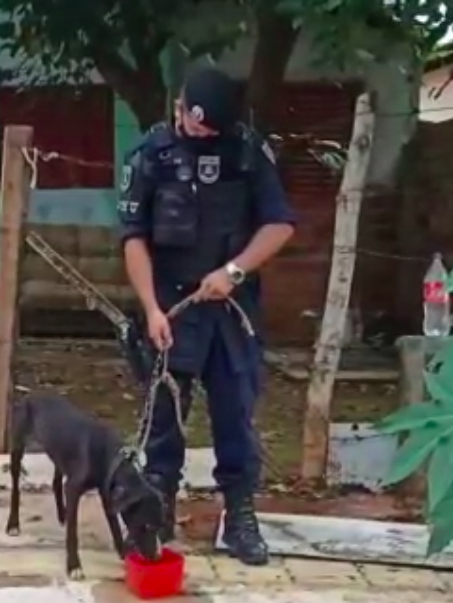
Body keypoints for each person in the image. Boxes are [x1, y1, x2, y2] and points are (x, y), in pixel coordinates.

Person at [116, 64, 296, 567]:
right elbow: (134, 239)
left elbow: (279, 225)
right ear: (179, 107)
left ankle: (239, 517)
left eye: (210, 129)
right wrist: (152, 309)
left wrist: (234, 272)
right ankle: (157, 511)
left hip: (231, 308)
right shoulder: (150, 154)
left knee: (234, 413)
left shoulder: (246, 151)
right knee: (165, 418)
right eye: (195, 125)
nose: (201, 135)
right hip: (172, 306)